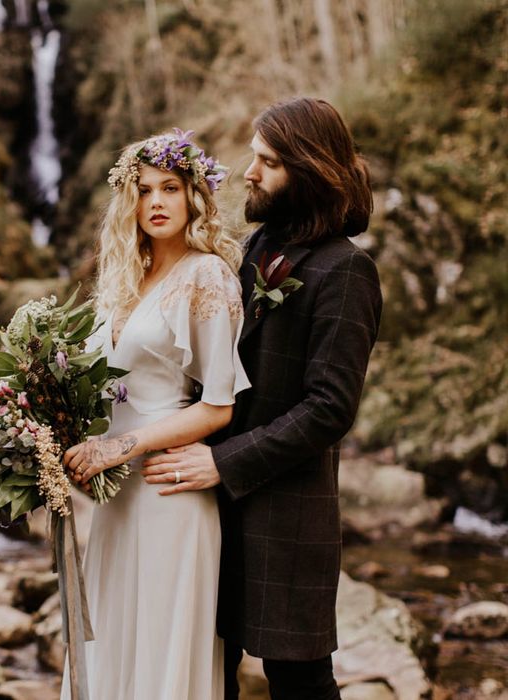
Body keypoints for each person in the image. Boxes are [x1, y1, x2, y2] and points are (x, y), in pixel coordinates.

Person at [141, 98, 383, 699]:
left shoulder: (346, 270)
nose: (248, 172)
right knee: (207, 669)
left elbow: (329, 408)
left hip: (286, 514)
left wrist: (222, 462)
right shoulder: (256, 247)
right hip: (210, 508)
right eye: (254, 157)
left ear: (308, 171)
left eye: (267, 162)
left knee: (299, 682)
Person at [60, 129, 250, 699]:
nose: (157, 202)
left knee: (160, 657)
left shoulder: (208, 276)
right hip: (115, 497)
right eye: (143, 190)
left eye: (171, 187)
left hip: (169, 489)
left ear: (194, 195)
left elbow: (218, 407)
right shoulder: (123, 280)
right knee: (111, 648)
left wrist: (119, 448)